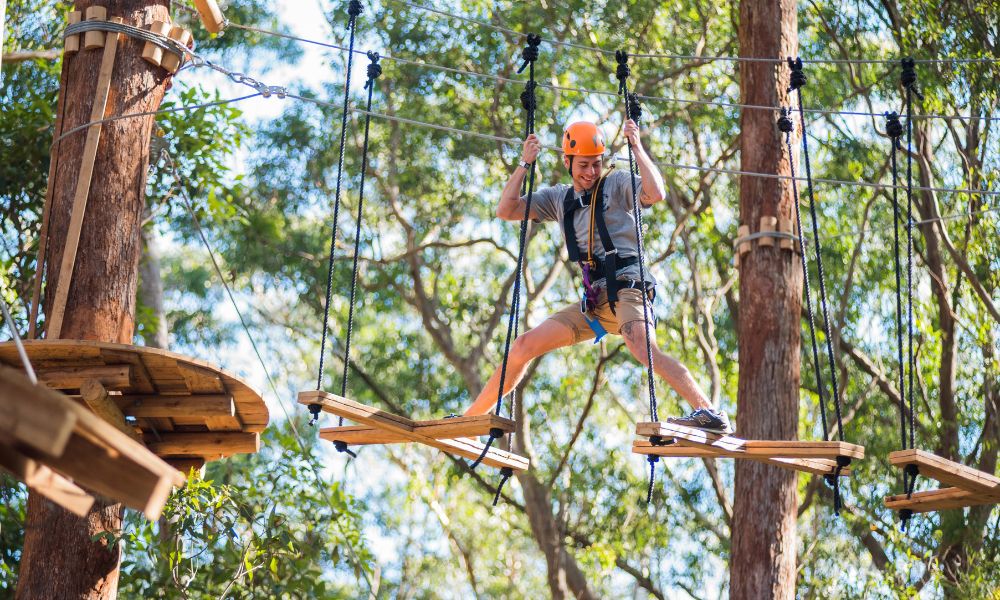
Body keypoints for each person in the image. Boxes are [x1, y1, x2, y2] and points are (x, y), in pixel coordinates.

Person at [462, 119, 732, 433]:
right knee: (523, 346)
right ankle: (471, 417)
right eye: (583, 166)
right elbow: (506, 210)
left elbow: (655, 192)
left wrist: (637, 148)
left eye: (596, 164)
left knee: (643, 347)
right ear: (567, 162)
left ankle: (708, 411)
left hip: (627, 286)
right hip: (594, 304)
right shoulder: (558, 199)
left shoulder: (616, 185)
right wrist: (525, 163)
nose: (590, 172)